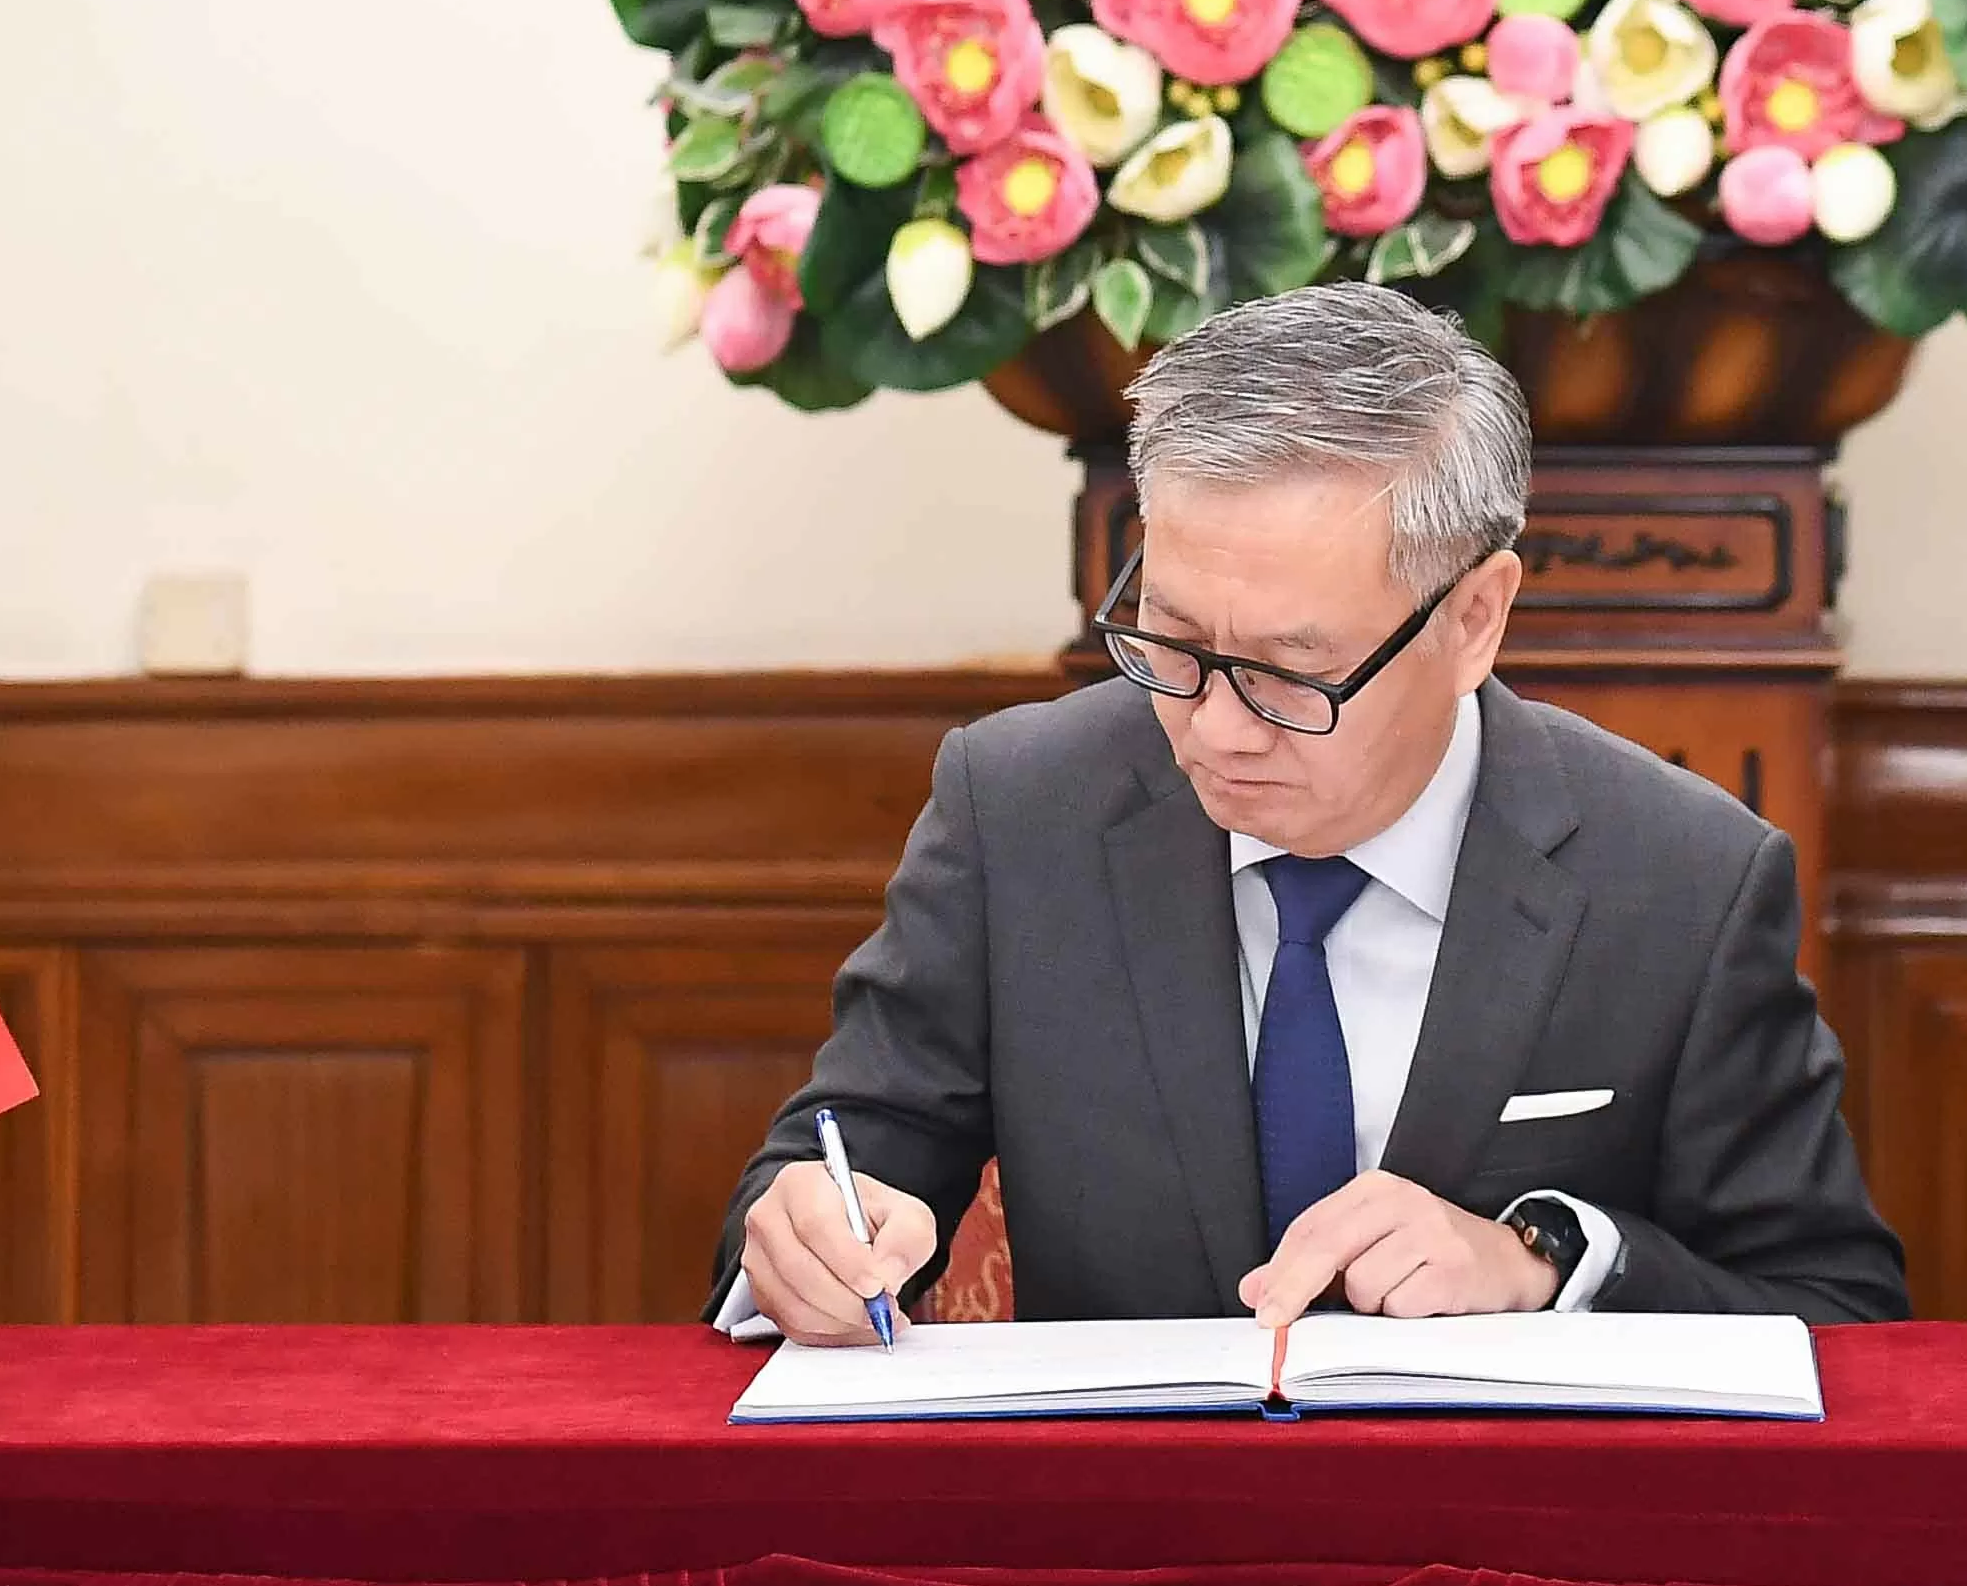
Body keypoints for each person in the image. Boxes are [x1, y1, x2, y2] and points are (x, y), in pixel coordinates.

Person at [715, 282, 1905, 1339]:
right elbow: (832, 1167)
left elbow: (1836, 1310)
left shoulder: (1683, 878)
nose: (1215, 729)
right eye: (1173, 640)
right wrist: (809, 1241)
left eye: (1292, 673)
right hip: (1127, 1516)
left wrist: (1547, 1266)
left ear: (1474, 619)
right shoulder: (1020, 810)